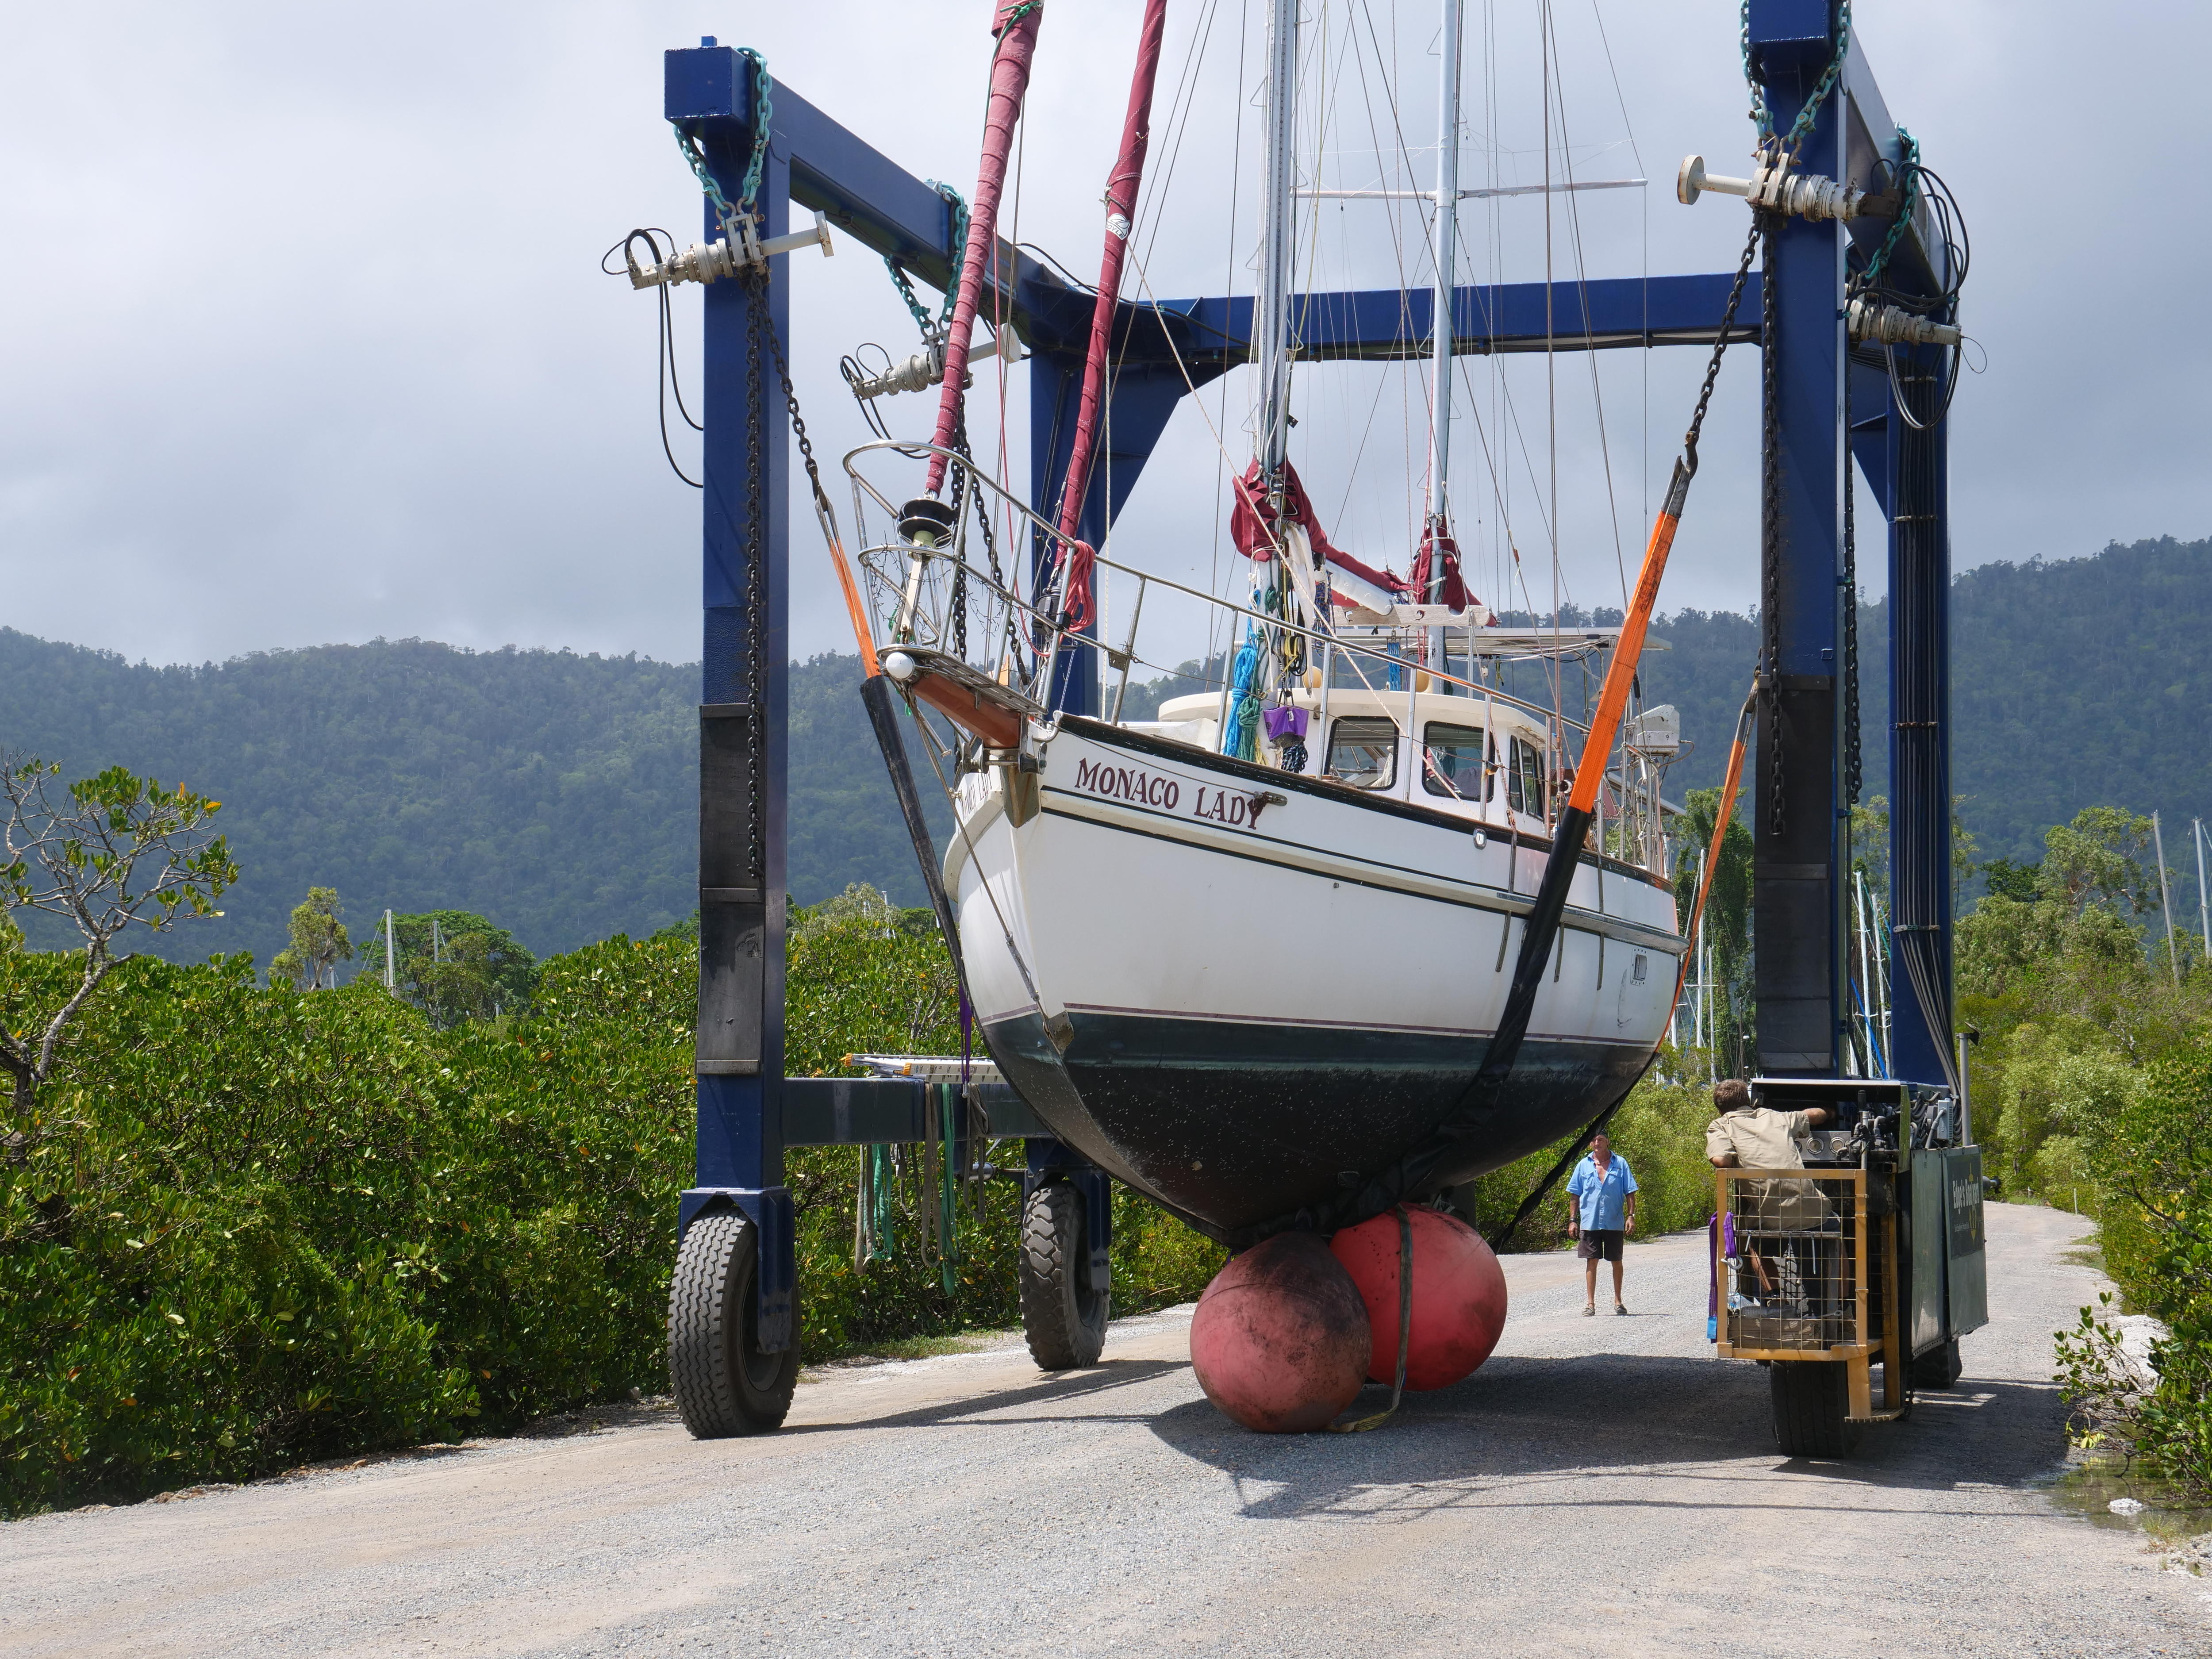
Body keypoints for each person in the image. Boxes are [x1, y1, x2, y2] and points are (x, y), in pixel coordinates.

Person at [1565, 1131, 1637, 1316]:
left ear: (1608, 1142)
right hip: (1590, 1222)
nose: (1598, 1143)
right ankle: (1590, 1304)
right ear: (1590, 1144)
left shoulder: (1621, 1164)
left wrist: (1631, 1216)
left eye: (1601, 1140)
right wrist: (1573, 1220)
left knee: (1617, 1261)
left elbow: (1630, 1192)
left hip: (1614, 1221)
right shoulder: (1583, 1165)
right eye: (1594, 1140)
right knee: (1592, 1261)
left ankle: (1619, 1302)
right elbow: (1575, 1195)